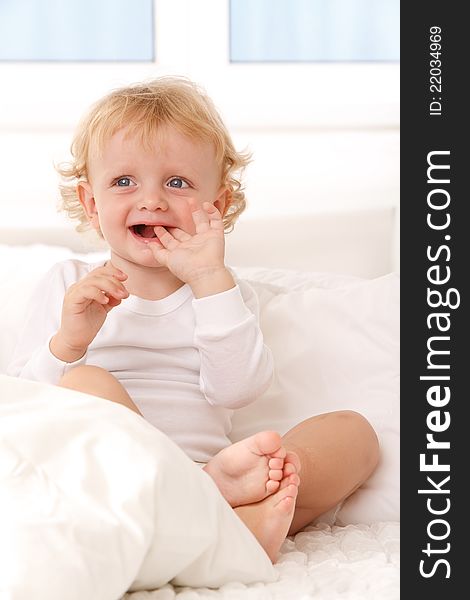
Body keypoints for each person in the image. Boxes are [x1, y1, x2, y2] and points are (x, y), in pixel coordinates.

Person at [7, 77, 379, 563]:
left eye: (177, 182)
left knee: (354, 434)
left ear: (217, 206)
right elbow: (19, 409)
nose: (153, 201)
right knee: (86, 382)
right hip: (114, 485)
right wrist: (68, 343)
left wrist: (210, 284)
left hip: (216, 471)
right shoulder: (68, 285)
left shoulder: (223, 292)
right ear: (92, 203)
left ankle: (214, 513)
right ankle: (213, 519)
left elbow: (237, 391)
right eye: (124, 181)